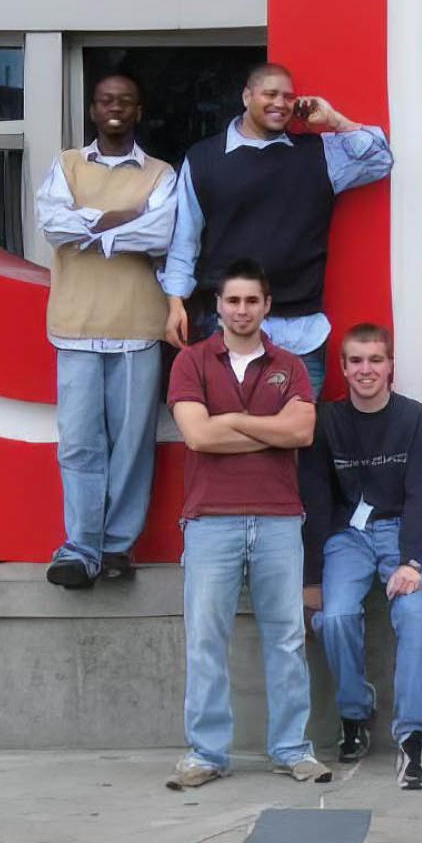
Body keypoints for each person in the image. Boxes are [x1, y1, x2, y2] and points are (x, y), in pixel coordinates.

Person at [162, 259, 328, 789]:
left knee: (286, 637)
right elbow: (197, 438)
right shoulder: (191, 362)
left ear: (267, 306)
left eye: (251, 301)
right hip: (210, 519)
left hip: (279, 518)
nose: (241, 310)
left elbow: (301, 433)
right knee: (206, 639)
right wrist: (267, 431)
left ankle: (292, 749)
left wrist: (229, 420)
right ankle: (206, 753)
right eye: (232, 301)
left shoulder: (290, 365)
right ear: (217, 306)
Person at [159, 62, 392, 392]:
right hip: (227, 328)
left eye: (288, 97)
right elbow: (184, 239)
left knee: (296, 438)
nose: (280, 103)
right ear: (246, 96)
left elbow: (380, 161)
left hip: (301, 332)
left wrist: (334, 120)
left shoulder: (318, 153)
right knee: (230, 437)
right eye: (270, 94)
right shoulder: (204, 159)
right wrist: (175, 304)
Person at [36, 73, 179, 589]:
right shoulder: (66, 164)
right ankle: (79, 549)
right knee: (78, 443)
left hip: (138, 327)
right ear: (93, 110)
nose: (114, 107)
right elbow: (53, 225)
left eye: (124, 101)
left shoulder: (162, 173)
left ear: (138, 111)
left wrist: (89, 223)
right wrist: (123, 217)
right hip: (74, 326)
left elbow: (161, 231)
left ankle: (116, 548)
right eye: (104, 100)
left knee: (131, 444)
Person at [299, 323, 422, 788]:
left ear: (390, 367)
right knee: (335, 617)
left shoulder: (414, 418)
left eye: (375, 360)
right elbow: (317, 503)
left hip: (403, 533)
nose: (366, 370)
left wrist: (411, 562)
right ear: (341, 368)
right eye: (356, 361)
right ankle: (355, 710)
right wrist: (312, 577)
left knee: (416, 618)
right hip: (347, 537)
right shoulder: (327, 422)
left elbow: (421, 495)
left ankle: (413, 738)